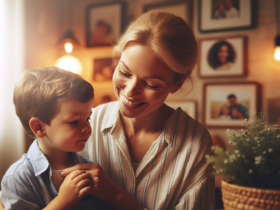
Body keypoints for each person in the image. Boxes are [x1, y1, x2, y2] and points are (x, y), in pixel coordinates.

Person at [60, 11, 215, 210]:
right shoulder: (85, 123)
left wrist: (118, 198)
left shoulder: (195, 143)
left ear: (176, 84)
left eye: (150, 84)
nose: (130, 91)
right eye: (124, 72)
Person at [0, 67, 112, 210]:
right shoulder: (19, 178)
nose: (87, 128)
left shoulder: (90, 169)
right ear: (39, 127)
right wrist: (62, 202)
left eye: (88, 118)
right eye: (75, 121)